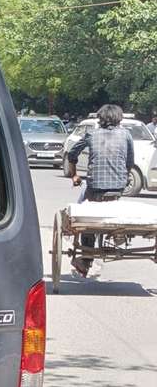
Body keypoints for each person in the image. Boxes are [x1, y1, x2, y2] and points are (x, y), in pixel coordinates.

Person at [65, 103, 135, 277]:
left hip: (95, 186)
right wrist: (122, 178)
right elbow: (129, 162)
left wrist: (74, 176)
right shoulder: (126, 135)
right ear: (119, 119)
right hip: (118, 188)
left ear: (100, 118)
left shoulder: (92, 134)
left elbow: (72, 154)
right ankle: (117, 234)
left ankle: (86, 259)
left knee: (85, 216)